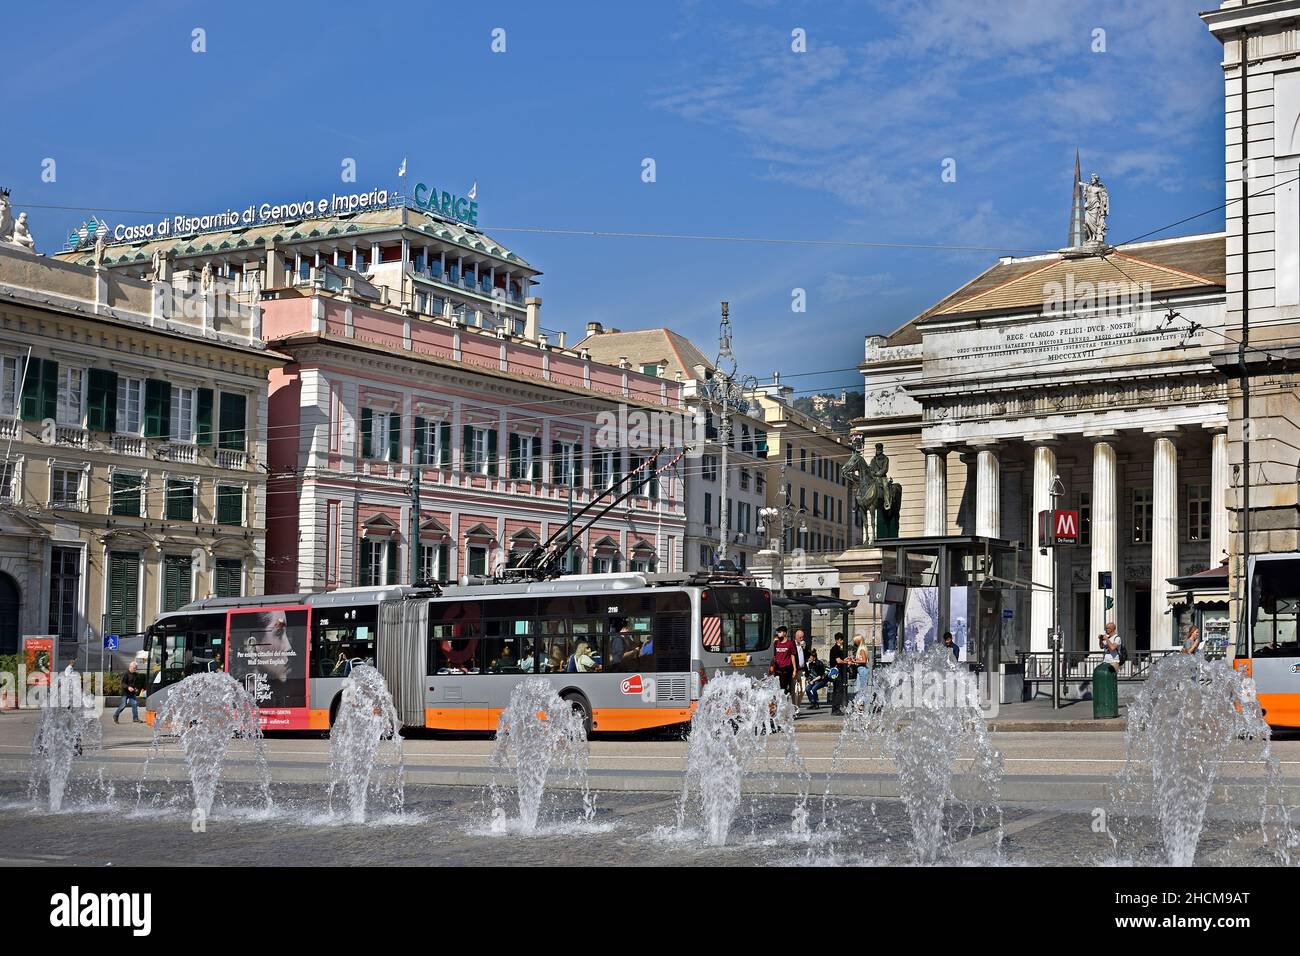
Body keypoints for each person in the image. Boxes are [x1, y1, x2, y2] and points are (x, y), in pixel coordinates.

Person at [771, 626, 798, 701]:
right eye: (778, 632)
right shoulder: (776, 643)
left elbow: (793, 656)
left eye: (780, 632)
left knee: (784, 689)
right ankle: (778, 705)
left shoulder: (790, 643)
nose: (778, 633)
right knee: (777, 689)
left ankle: (785, 704)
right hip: (777, 669)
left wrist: (795, 669)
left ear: (785, 633)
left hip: (786, 669)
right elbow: (773, 655)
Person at [829, 633, 851, 715]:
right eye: (842, 640)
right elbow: (838, 661)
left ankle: (835, 708)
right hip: (837, 672)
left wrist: (845, 659)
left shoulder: (836, 649)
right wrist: (846, 662)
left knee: (836, 690)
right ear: (838, 640)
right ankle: (836, 709)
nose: (843, 641)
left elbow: (839, 659)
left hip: (837, 672)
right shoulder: (836, 649)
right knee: (838, 690)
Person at [852, 635, 871, 705]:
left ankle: (864, 705)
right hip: (861, 669)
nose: (854, 643)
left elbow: (864, 660)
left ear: (858, 641)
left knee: (862, 689)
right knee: (861, 689)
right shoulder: (862, 649)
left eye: (855, 641)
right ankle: (861, 705)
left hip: (862, 670)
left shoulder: (862, 649)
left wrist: (855, 661)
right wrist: (854, 660)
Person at [793, 629, 808, 706]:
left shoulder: (803, 645)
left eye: (803, 637)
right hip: (795, 670)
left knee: (803, 689)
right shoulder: (792, 645)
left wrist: (804, 648)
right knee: (796, 691)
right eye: (800, 637)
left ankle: (798, 705)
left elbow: (807, 656)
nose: (802, 639)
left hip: (802, 671)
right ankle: (796, 708)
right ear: (796, 637)